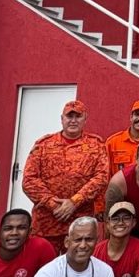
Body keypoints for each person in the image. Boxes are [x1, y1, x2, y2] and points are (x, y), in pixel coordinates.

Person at [21, 100, 108, 252]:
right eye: (69, 116)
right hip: (46, 224)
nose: (73, 120)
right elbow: (29, 181)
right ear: (62, 119)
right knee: (44, 268)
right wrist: (55, 205)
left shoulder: (96, 145)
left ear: (85, 119)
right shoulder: (43, 145)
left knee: (77, 270)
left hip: (80, 226)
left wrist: (74, 202)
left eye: (78, 116)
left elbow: (101, 178)